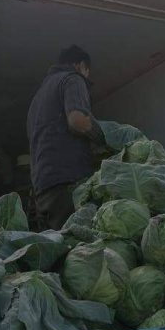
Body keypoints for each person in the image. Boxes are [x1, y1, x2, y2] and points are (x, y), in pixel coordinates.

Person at [27, 45, 106, 230]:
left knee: (55, 248)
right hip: (68, 182)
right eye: (88, 71)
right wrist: (106, 136)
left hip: (43, 187)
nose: (87, 76)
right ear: (80, 65)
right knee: (76, 248)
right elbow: (77, 120)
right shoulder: (72, 79)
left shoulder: (37, 98)